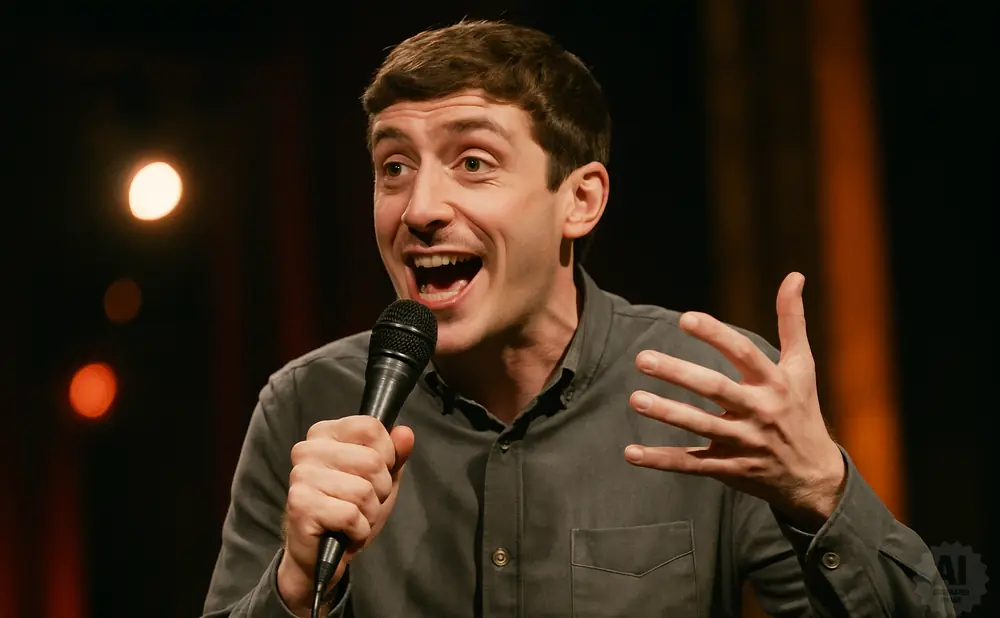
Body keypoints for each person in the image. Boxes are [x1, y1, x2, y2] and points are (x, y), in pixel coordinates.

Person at [202, 19, 954, 618]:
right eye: (394, 167)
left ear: (581, 200)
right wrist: (296, 587)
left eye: (473, 162)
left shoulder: (706, 392)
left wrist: (822, 491)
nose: (420, 208)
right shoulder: (307, 404)